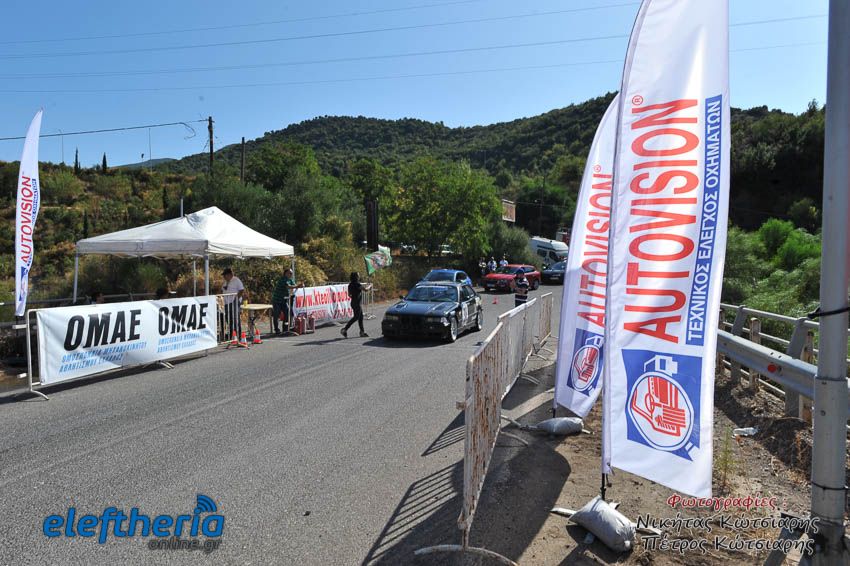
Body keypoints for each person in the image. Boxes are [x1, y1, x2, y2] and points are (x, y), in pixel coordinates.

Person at [272, 268, 304, 334]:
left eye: (292, 273)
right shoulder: (283, 279)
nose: (291, 274)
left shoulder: (290, 280)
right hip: (277, 300)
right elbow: (288, 286)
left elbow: (294, 286)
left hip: (284, 300)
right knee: (276, 315)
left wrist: (300, 285)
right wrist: (297, 286)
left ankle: (285, 329)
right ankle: (276, 329)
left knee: (287, 313)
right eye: (290, 273)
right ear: (286, 273)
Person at [341, 272, 372, 338]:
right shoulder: (357, 284)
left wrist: (354, 297)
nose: (359, 276)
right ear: (356, 277)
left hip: (353, 302)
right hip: (357, 303)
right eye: (358, 275)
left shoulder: (350, 284)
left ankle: (362, 332)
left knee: (360, 317)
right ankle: (345, 329)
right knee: (356, 317)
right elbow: (366, 290)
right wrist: (369, 286)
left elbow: (349, 295)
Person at [221, 268, 245, 338]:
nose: (224, 277)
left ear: (229, 274)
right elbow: (222, 290)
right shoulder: (225, 282)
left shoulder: (236, 280)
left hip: (234, 302)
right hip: (226, 303)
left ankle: (238, 335)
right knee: (229, 319)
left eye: (225, 275)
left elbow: (241, 290)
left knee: (235, 319)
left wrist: (236, 299)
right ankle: (232, 334)